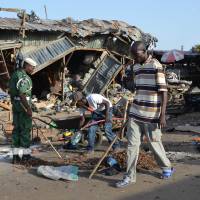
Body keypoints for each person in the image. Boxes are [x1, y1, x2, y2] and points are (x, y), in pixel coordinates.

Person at [116, 41, 173, 188]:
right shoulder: (135, 66)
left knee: (154, 144)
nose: (134, 57)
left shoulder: (156, 66)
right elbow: (137, 87)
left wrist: (162, 114)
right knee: (131, 145)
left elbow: (163, 91)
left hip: (152, 115)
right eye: (133, 55)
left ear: (144, 51)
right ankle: (129, 177)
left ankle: (166, 166)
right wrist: (125, 80)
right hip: (135, 113)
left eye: (137, 54)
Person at [9, 57, 37, 164]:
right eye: (32, 67)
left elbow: (12, 92)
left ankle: (15, 157)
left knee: (16, 131)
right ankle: (25, 156)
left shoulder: (15, 75)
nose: (33, 69)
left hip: (16, 106)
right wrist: (28, 108)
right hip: (23, 107)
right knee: (25, 130)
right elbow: (22, 94)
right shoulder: (24, 77)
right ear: (27, 65)